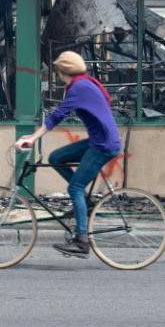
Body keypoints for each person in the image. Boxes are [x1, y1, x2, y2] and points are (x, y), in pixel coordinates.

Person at [16, 51, 122, 258]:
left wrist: (32, 138)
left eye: (57, 70)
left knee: (75, 187)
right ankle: (83, 202)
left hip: (103, 145)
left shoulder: (80, 87)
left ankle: (81, 241)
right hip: (99, 141)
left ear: (63, 71)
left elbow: (57, 116)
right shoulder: (83, 84)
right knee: (56, 158)